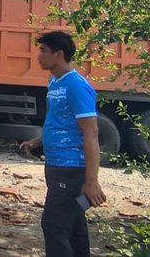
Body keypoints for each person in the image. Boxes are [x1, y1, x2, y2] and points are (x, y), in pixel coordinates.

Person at [20, 31, 107, 257]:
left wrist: (91, 181)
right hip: (56, 166)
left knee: (54, 225)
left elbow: (91, 132)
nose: (38, 56)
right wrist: (38, 141)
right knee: (74, 225)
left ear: (58, 54)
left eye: (43, 51)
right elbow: (59, 120)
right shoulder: (54, 82)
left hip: (71, 169)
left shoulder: (76, 86)